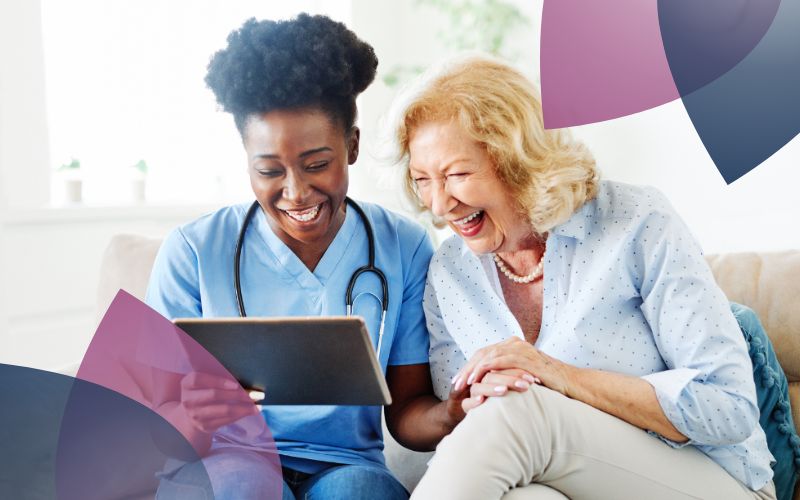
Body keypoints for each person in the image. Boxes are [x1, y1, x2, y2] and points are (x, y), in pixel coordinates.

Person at [388, 55, 777, 500]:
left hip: (709, 480)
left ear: (520, 161)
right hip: (561, 481)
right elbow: (473, 435)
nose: (439, 206)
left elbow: (728, 408)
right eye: (422, 180)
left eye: (457, 175)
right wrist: (464, 405)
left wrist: (557, 376)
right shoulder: (451, 271)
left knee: (518, 412)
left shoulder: (636, 222)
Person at [145, 14, 472, 500]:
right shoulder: (192, 251)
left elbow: (406, 414)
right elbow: (150, 429)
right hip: (225, 459)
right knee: (242, 485)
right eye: (269, 170)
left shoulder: (404, 245)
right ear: (246, 158)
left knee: (361, 493)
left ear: (352, 146)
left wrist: (452, 413)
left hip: (347, 465)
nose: (296, 192)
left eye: (317, 164)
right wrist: (192, 416)